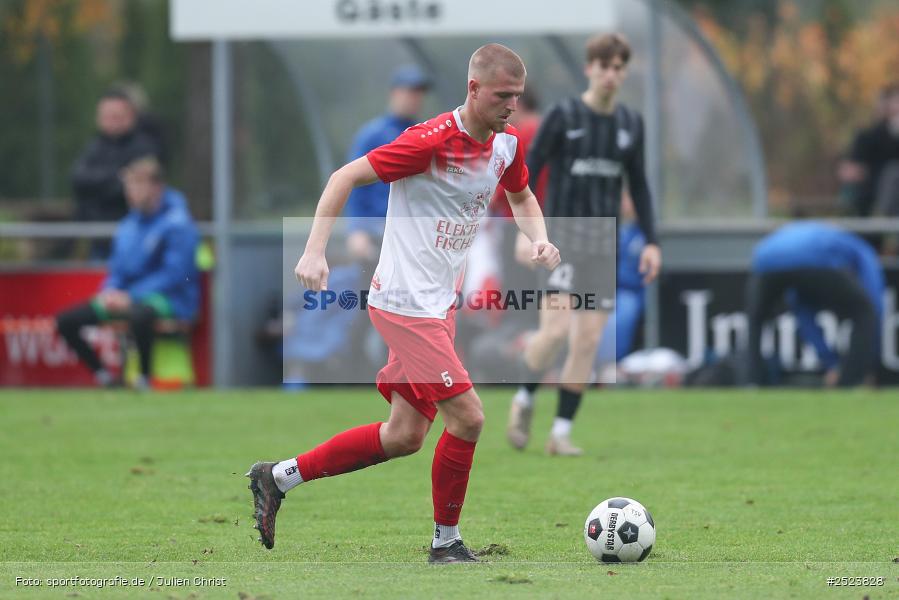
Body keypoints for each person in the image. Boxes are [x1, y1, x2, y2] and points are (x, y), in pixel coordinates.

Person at [246, 44, 561, 563]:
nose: (512, 107)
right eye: (503, 96)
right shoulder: (429, 141)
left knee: (404, 436)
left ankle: (278, 477)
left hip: (439, 306)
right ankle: (446, 543)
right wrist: (314, 251)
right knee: (470, 417)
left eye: (518, 98)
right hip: (403, 303)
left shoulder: (506, 146)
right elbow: (342, 177)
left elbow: (522, 195)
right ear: (474, 89)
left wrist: (538, 238)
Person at [507, 33, 661, 456]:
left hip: (602, 248)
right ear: (589, 68)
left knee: (589, 341)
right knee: (554, 332)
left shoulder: (631, 124)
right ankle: (524, 398)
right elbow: (525, 174)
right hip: (561, 243)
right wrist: (528, 236)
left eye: (618, 67)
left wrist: (651, 241)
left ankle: (559, 433)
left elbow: (641, 187)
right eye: (603, 66)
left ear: (623, 72)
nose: (611, 74)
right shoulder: (564, 116)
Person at [56, 156, 199, 390]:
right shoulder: (128, 225)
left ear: (156, 187)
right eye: (129, 186)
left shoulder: (178, 223)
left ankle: (143, 379)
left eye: (137, 185)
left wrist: (131, 296)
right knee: (66, 321)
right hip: (127, 296)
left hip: (172, 299)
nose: (131, 192)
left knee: (139, 314)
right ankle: (105, 378)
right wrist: (109, 291)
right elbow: (118, 269)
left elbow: (176, 274)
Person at [343, 65, 432, 376]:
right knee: (367, 307)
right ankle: (349, 370)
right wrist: (356, 231)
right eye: (408, 91)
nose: (413, 99)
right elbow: (350, 182)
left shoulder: (424, 132)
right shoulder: (373, 133)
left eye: (418, 93)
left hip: (409, 239)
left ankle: (398, 373)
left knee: (404, 307)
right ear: (394, 93)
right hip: (376, 236)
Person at [746, 221, 884, 387]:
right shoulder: (860, 248)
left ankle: (753, 382)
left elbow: (804, 316)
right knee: (865, 311)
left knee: (756, 319)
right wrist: (870, 364)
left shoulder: (816, 239)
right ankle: (852, 380)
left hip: (763, 260)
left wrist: (831, 364)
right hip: (808, 258)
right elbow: (874, 300)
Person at [71, 89, 161, 257]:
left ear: (131, 116)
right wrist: (116, 177)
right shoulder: (95, 146)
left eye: (116, 116)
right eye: (106, 116)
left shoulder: (144, 147)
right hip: (98, 239)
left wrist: (100, 185)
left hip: (136, 238)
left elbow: (137, 188)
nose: (110, 121)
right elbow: (79, 180)